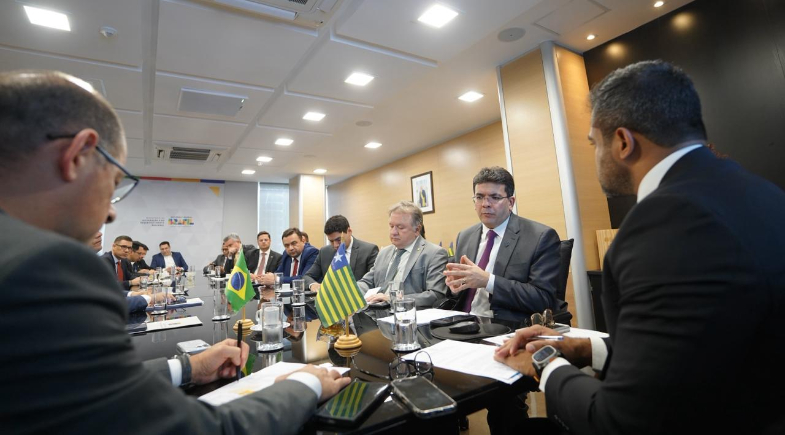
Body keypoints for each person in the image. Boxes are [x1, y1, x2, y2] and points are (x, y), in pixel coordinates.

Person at [0, 70, 350, 434]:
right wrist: (305, 384)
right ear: (77, 155)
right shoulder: (43, 268)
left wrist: (187, 367)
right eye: (114, 184)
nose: (111, 213)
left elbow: (80, 387)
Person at [494, 60, 785, 434]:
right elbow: (696, 347)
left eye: (594, 144)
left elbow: (622, 420)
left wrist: (543, 364)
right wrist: (583, 348)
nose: (596, 156)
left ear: (622, 142)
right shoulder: (765, 194)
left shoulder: (666, 221)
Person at [444, 167, 560, 324]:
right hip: (461, 323)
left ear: (511, 202)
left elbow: (543, 299)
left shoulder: (540, 237)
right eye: (479, 197)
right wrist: (455, 286)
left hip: (505, 326)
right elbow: (456, 296)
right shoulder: (465, 236)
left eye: (495, 197)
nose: (485, 204)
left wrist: (488, 281)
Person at [357, 201, 448, 309]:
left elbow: (435, 295)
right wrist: (350, 293)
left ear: (417, 229)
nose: (393, 232)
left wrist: (393, 299)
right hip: (377, 313)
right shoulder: (384, 252)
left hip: (410, 314)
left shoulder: (434, 254)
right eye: (391, 226)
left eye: (400, 227)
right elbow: (367, 282)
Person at [304, 215, 379, 293]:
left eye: (339, 240)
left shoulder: (369, 250)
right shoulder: (324, 252)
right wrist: (313, 284)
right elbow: (307, 277)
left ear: (349, 231)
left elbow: (374, 281)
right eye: (331, 241)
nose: (335, 245)